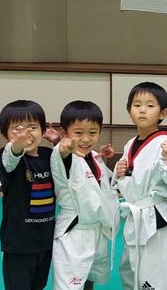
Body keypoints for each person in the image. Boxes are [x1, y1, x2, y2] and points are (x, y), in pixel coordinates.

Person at [113, 82, 167, 290]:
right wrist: (119, 173)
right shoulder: (130, 143)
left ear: (163, 112)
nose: (142, 110)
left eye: (150, 105)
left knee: (158, 273)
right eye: (137, 105)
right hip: (136, 215)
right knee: (131, 270)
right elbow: (126, 178)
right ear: (129, 110)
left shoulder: (165, 144)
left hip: (156, 218)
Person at [51, 100, 118, 290]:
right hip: (74, 230)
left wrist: (104, 159)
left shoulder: (94, 156)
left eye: (92, 133)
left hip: (97, 229)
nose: (86, 139)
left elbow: (100, 188)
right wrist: (62, 146)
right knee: (69, 285)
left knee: (89, 279)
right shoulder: (63, 154)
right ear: (64, 133)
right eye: (78, 133)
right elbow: (63, 154)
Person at [0, 100, 60, 290]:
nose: (25, 133)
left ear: (43, 130)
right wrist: (17, 145)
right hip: (18, 243)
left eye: (33, 127)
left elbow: (68, 162)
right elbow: (11, 156)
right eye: (17, 129)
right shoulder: (7, 157)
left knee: (38, 285)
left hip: (46, 240)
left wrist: (57, 141)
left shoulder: (49, 155)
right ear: (5, 134)